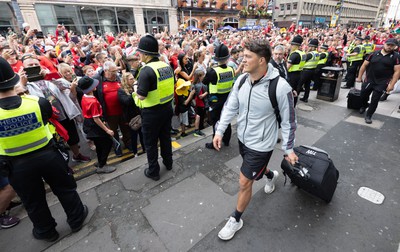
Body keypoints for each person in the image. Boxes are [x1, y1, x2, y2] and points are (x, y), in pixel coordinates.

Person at [213, 39, 298, 241]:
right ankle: (269, 176)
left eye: (248, 56)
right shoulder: (242, 80)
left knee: (244, 181)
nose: (243, 59)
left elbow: (289, 121)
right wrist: (219, 130)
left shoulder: (280, 87)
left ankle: (236, 218)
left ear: (261, 60)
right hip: (243, 138)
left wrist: (289, 148)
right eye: (243, 55)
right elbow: (231, 107)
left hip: (262, 143)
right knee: (253, 172)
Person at [0, 57, 88, 241]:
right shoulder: (37, 102)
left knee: (33, 201)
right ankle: (76, 218)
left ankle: (46, 231)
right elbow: (48, 117)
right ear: (15, 80)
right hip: (48, 155)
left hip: (16, 165)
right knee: (65, 189)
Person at [133, 34, 174, 181]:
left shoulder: (146, 71)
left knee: (150, 143)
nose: (139, 55)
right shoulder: (166, 66)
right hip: (167, 109)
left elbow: (142, 96)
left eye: (140, 53)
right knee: (165, 138)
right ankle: (168, 163)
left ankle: (154, 171)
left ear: (145, 54)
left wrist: (134, 89)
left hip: (151, 113)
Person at [356, 38, 400, 124]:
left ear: (395, 47)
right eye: (388, 45)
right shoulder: (373, 54)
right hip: (369, 79)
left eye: (392, 46)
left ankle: (369, 115)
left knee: (375, 99)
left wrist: (392, 85)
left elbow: (397, 71)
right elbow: (364, 65)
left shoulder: (396, 56)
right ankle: (364, 105)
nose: (389, 47)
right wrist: (359, 77)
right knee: (363, 95)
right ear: (384, 44)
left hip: (382, 82)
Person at [78, 76, 116, 173]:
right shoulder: (93, 101)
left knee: (99, 145)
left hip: (89, 124)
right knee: (107, 143)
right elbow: (96, 119)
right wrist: (107, 130)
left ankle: (100, 162)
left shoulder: (84, 97)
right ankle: (102, 166)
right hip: (95, 126)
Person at [203, 44, 235, 149]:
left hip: (215, 101)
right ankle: (226, 140)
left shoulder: (213, 71)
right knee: (226, 120)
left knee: (216, 122)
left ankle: (215, 143)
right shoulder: (231, 69)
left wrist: (209, 68)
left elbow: (204, 81)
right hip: (228, 100)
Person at [118, 72, 146, 156]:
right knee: (133, 137)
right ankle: (135, 152)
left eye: (133, 78)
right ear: (125, 81)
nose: (133, 80)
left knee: (142, 134)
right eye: (131, 79)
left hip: (140, 114)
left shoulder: (136, 87)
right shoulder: (121, 91)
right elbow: (126, 102)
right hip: (131, 117)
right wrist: (134, 92)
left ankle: (145, 149)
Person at [287, 35, 306, 106]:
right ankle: (293, 106)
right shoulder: (303, 53)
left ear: (295, 45)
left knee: (291, 92)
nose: (291, 46)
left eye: (292, 44)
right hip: (300, 74)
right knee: (296, 92)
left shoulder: (294, 54)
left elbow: (287, 67)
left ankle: (290, 107)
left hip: (292, 76)